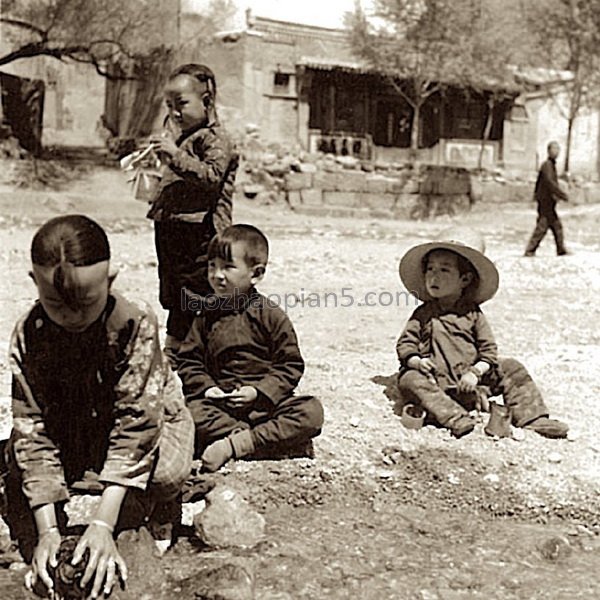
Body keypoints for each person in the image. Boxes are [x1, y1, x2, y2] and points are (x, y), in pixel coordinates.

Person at [1, 215, 194, 599]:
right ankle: (103, 487)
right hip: (74, 421)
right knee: (20, 472)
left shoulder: (134, 323)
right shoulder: (29, 336)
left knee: (167, 476)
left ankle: (142, 507)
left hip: (146, 417)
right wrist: (48, 532)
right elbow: (33, 429)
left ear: (110, 280)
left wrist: (103, 525)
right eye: (55, 304)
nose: (71, 316)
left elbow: (137, 424)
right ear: (33, 281)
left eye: (86, 303)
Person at [396, 226, 569, 439]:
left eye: (444, 270)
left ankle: (532, 417)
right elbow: (406, 345)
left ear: (465, 280)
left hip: (471, 383)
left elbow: (488, 351)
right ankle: (454, 417)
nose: (434, 276)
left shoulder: (473, 315)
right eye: (430, 269)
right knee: (409, 379)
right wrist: (416, 361)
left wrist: (475, 373)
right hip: (437, 384)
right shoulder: (424, 314)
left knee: (511, 367)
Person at [176, 224, 324, 472]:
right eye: (212, 266)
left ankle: (238, 444)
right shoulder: (205, 315)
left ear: (255, 274)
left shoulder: (270, 314)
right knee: (184, 412)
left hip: (263, 406)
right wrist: (209, 388)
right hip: (220, 407)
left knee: (310, 412)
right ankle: (255, 440)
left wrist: (258, 392)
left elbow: (290, 365)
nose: (217, 275)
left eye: (227, 267)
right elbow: (189, 361)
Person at [147, 63, 239, 359]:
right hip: (174, 228)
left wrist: (174, 155)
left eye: (182, 104)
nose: (174, 113)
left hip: (200, 231)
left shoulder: (215, 138)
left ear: (207, 101)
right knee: (175, 290)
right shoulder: (184, 138)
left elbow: (211, 176)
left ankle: (197, 350)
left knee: (196, 291)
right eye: (170, 106)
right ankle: (177, 346)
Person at [524, 141, 569, 257]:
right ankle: (530, 250)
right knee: (543, 226)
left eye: (558, 150)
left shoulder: (551, 165)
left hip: (548, 201)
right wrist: (562, 195)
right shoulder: (547, 165)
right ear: (549, 151)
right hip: (545, 201)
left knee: (555, 225)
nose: (557, 152)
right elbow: (550, 183)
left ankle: (560, 249)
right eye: (554, 149)